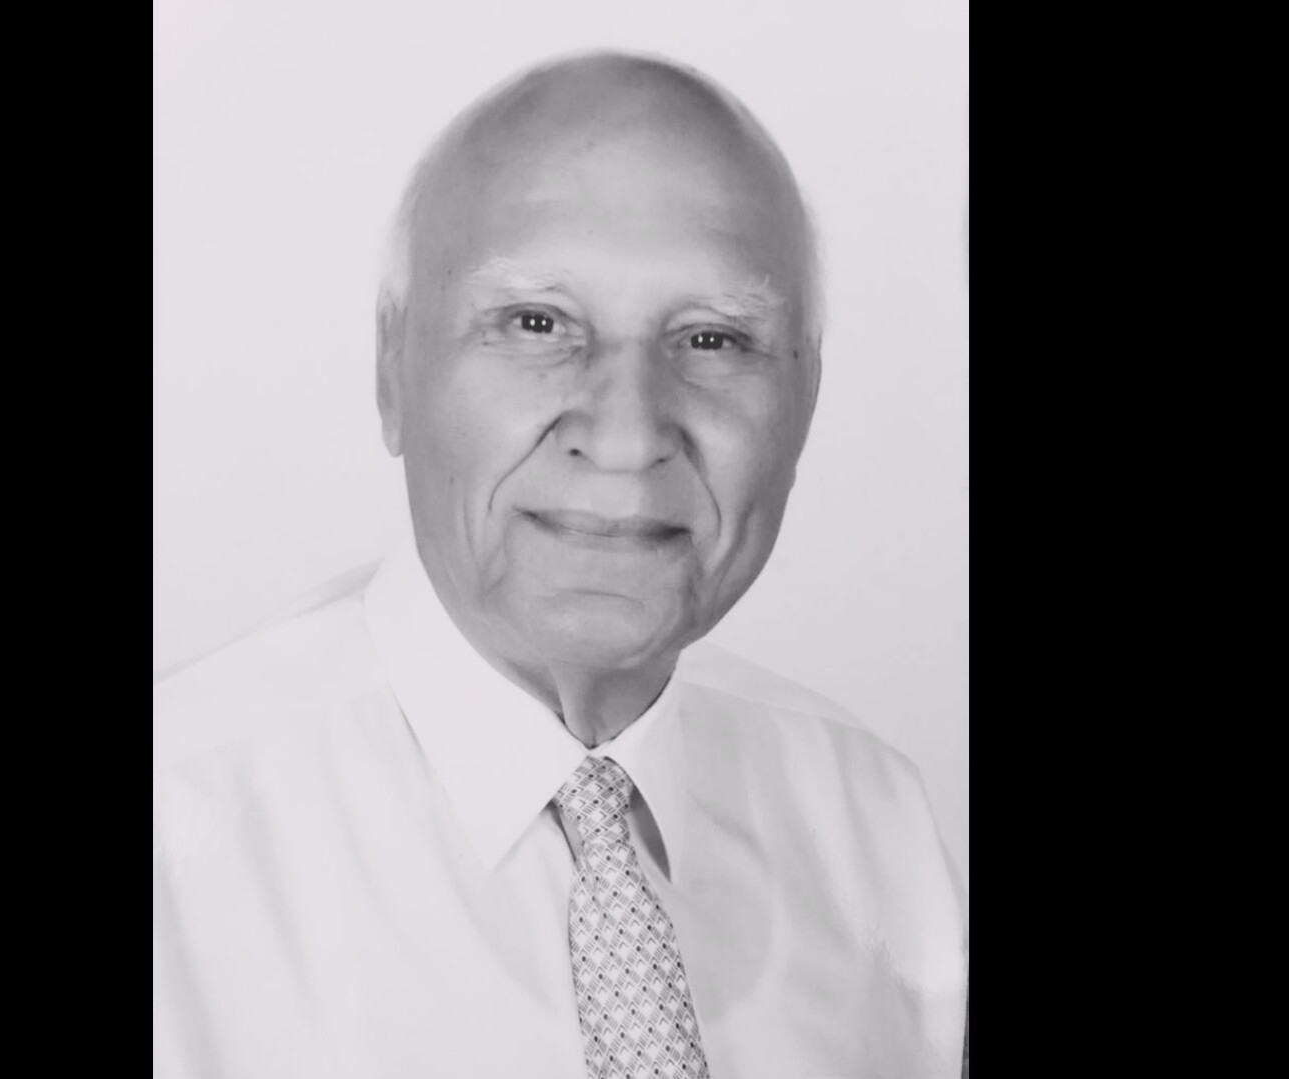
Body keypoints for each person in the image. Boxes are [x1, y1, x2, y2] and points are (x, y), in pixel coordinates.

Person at [154, 50, 967, 1079]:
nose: (626, 435)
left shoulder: (871, 819)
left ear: (805, 400)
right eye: (535, 324)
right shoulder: (175, 838)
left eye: (713, 339)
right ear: (391, 368)